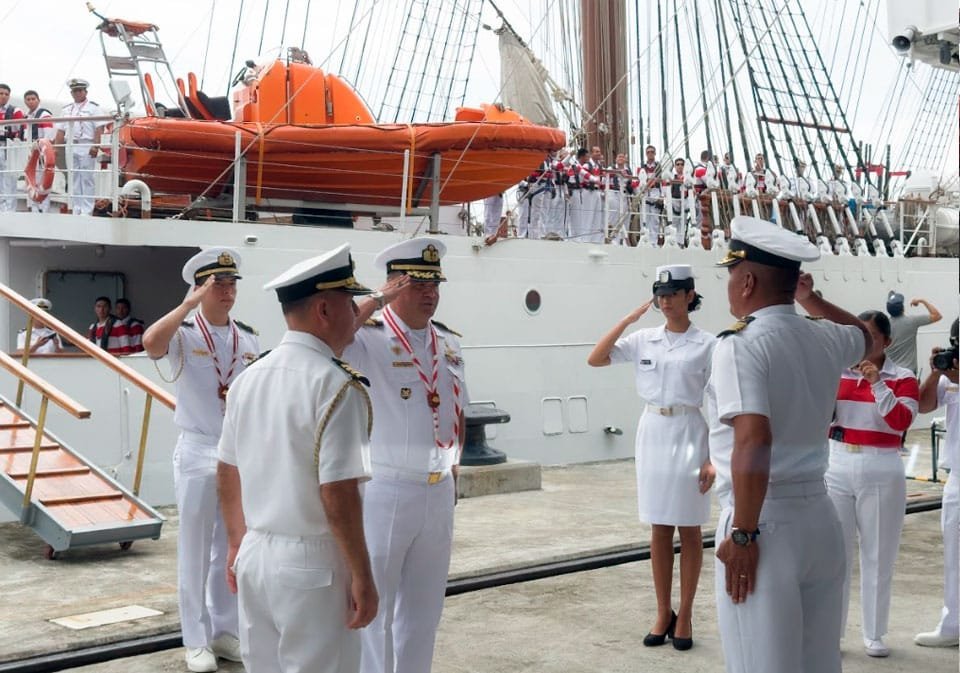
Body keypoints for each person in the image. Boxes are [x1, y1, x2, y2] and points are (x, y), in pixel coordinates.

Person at [709, 215, 872, 673]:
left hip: (763, 521)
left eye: (731, 275)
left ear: (747, 282)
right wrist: (811, 300)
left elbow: (753, 439)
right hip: (820, 518)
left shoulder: (740, 345)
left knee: (760, 663)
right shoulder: (822, 337)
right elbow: (867, 338)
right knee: (819, 660)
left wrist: (743, 533)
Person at [217, 244, 378, 673]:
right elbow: (338, 493)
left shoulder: (248, 379)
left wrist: (237, 541)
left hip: (256, 553)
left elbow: (227, 469)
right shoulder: (338, 386)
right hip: (314, 563)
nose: (357, 312)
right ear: (324, 309)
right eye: (350, 302)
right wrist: (362, 573)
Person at [343, 237, 466, 673]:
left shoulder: (448, 342)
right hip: (388, 487)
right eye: (417, 284)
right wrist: (376, 299)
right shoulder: (369, 337)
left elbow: (457, 410)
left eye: (435, 284)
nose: (429, 293)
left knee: (424, 611)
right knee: (375, 609)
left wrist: (455, 463)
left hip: (438, 489)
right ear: (396, 285)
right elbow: (332, 335)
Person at [587, 264, 715, 651]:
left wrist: (714, 459)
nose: (666, 301)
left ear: (690, 295)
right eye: (660, 294)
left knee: (689, 527)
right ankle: (664, 611)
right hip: (653, 431)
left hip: (691, 430)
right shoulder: (644, 338)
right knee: (659, 526)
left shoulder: (709, 344)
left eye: (674, 294)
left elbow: (719, 400)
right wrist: (627, 319)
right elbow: (596, 358)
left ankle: (687, 613)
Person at [142, 248, 259, 673]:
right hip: (196, 449)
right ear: (201, 289)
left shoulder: (248, 338)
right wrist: (187, 305)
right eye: (218, 286)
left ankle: (224, 631)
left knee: (230, 545)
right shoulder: (184, 332)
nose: (228, 293)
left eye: (231, 285)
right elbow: (150, 344)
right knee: (193, 549)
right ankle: (195, 639)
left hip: (235, 453)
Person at [825, 310, 919, 657]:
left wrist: (878, 383)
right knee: (836, 555)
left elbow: (900, 422)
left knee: (879, 554)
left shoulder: (903, 377)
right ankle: (831, 633)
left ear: (887, 342)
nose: (862, 343)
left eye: (870, 336)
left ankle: (874, 633)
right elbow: (821, 414)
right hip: (838, 462)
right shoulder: (839, 372)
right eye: (858, 335)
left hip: (881, 464)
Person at [914, 318, 960, 648]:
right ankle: (953, 625)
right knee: (954, 557)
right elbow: (923, 405)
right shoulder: (950, 375)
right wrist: (935, 372)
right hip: (958, 478)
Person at [53, 78, 109, 216]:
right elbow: (60, 130)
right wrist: (56, 148)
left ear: (85, 92)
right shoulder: (66, 109)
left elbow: (99, 128)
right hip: (70, 144)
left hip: (86, 144)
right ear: (71, 93)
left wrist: (96, 146)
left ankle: (87, 209)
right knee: (74, 177)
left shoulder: (94, 108)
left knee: (86, 177)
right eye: (74, 91)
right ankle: (76, 208)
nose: (77, 93)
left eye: (79, 90)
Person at [885, 291, 942, 374]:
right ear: (903, 308)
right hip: (909, 372)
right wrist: (922, 301)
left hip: (890, 373)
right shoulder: (912, 321)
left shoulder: (884, 325)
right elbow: (937, 315)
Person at [23, 90, 54, 213]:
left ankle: (44, 208)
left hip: (41, 152)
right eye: (28, 99)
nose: (31, 101)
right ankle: (34, 207)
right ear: (25, 101)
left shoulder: (44, 114)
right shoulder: (27, 116)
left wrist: (44, 152)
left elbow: (49, 135)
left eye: (33, 99)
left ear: (38, 100)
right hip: (31, 153)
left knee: (43, 180)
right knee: (31, 180)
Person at [0, 83, 25, 212]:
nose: (3, 96)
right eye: (1, 93)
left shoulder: (16, 111)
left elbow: (20, 130)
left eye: (6, 94)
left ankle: (9, 209)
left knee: (9, 178)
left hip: (8, 147)